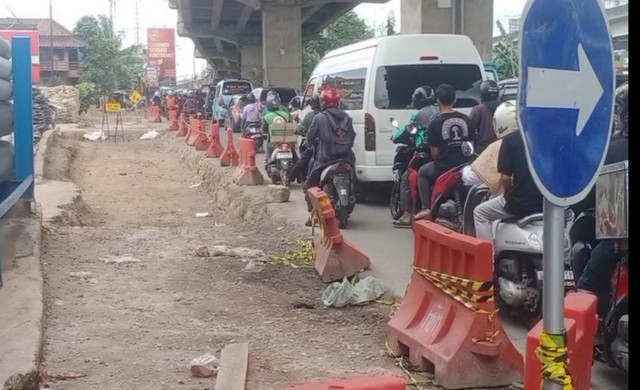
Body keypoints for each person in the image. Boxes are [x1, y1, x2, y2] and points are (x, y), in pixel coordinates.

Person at [576, 82, 628, 317]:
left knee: (586, 286)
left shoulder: (613, 150)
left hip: (620, 241)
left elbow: (591, 194)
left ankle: (592, 335)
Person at [472, 100, 543, 240]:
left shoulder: (510, 140)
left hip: (520, 203)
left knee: (480, 213)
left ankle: (487, 258)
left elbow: (504, 178)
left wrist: (507, 193)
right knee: (569, 214)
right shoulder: (548, 139)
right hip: (547, 202)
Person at [414, 84, 474, 221]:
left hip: (445, 166)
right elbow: (471, 144)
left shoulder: (435, 123)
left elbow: (435, 153)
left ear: (438, 101)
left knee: (422, 172)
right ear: (454, 100)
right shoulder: (466, 119)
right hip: (466, 164)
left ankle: (425, 208)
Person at [303, 87, 356, 225]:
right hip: (347, 158)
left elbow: (309, 138)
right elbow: (352, 137)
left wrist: (309, 142)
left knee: (309, 185)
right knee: (353, 180)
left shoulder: (319, 118)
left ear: (322, 102)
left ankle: (314, 214)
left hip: (325, 160)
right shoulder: (347, 117)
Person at [391, 86, 440, 227]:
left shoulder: (419, 115)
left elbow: (404, 131)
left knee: (407, 178)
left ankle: (406, 215)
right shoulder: (438, 110)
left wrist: (394, 137)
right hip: (440, 154)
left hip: (425, 153)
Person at [290, 93, 321, 183]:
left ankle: (292, 177)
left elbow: (306, 132)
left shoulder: (311, 116)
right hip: (330, 147)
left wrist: (298, 132)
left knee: (303, 160)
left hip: (316, 145)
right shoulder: (328, 115)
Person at [261, 91, 293, 167]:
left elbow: (264, 129)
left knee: (267, 145)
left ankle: (267, 160)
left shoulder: (266, 115)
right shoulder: (285, 112)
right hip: (287, 138)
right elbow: (291, 123)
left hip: (274, 139)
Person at [469, 80, 500, 154]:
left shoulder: (478, 110)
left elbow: (469, 129)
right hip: (499, 148)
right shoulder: (502, 108)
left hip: (482, 151)